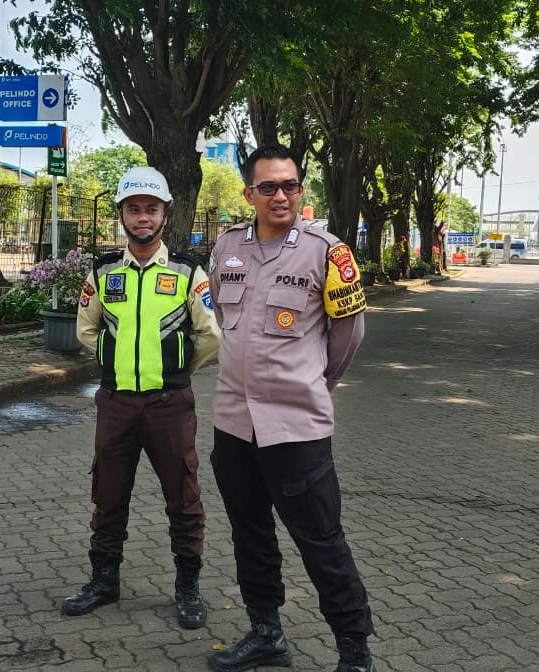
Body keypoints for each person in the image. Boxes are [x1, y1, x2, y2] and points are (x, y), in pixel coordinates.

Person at [206, 144, 376, 672]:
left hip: (296, 428)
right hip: (234, 424)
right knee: (250, 535)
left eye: (289, 186)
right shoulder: (226, 247)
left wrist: (316, 384)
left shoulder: (329, 252)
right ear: (249, 194)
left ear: (301, 191)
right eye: (268, 187)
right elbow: (222, 317)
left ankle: (354, 651)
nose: (280, 196)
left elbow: (348, 336)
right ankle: (266, 634)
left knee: (321, 542)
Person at [65, 165, 222, 629]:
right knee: (108, 494)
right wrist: (115, 362)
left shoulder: (188, 271)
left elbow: (210, 335)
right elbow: (86, 329)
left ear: (164, 214)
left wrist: (176, 371)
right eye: (133, 209)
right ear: (122, 215)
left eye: (151, 209)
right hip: (115, 402)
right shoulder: (103, 271)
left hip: (169, 405)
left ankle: (187, 587)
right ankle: (104, 580)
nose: (142, 218)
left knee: (183, 497)